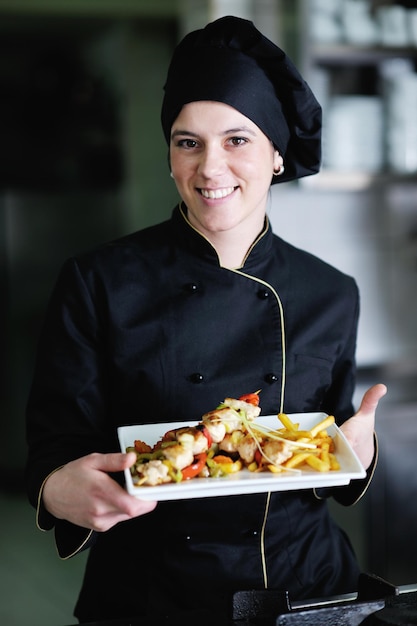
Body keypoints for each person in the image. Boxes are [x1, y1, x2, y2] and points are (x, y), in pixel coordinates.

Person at [25, 15, 387, 624]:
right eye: (188, 142)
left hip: (305, 587)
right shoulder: (99, 281)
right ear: (170, 156)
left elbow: (329, 453)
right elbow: (56, 444)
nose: (210, 168)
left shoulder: (330, 291)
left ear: (276, 154)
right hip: (152, 595)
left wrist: (360, 452)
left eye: (237, 139)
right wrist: (59, 490)